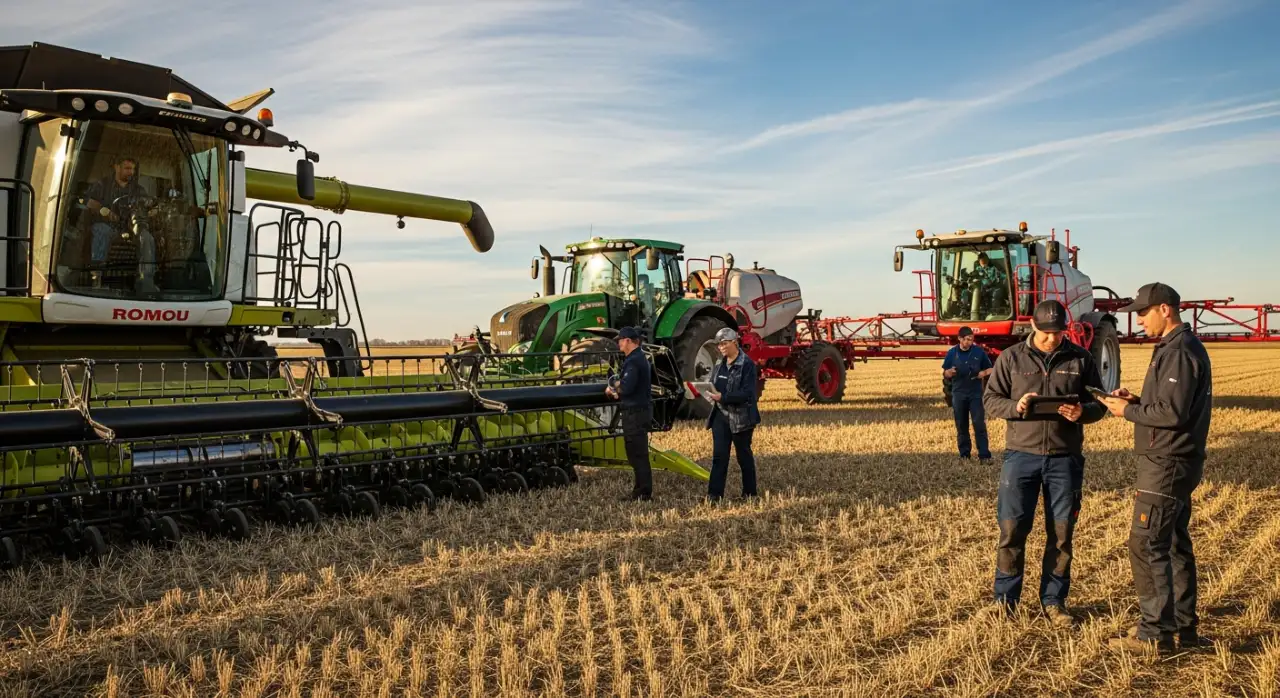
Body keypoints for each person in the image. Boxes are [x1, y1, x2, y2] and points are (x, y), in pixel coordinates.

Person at [1098, 283, 1212, 653]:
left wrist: (1125, 411)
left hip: (1166, 462)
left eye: (1143, 313)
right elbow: (1169, 403)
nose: (1139, 320)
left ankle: (1154, 634)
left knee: (1147, 544)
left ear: (1165, 310)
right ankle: (1184, 629)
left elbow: (1173, 414)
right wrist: (1139, 399)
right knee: (1174, 543)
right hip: (1177, 461)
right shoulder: (1177, 347)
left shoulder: (1178, 351)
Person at [982, 299, 1108, 626]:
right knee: (1012, 529)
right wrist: (1016, 406)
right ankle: (1005, 601)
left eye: (1058, 332)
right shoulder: (1011, 358)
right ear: (1033, 327)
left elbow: (1100, 403)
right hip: (1020, 457)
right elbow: (991, 400)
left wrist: (1084, 412)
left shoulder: (1080, 359)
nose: (1052, 338)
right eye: (1046, 332)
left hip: (1065, 459)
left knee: (1062, 533)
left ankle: (1054, 602)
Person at [81, 156, 159, 291]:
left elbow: (150, 204)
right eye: (127, 168)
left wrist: (153, 210)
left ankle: (146, 281)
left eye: (133, 169)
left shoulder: (138, 190)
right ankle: (97, 278)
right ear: (116, 167)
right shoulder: (102, 185)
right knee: (101, 230)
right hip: (109, 226)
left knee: (147, 238)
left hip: (131, 227)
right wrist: (103, 210)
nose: (131, 172)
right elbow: (85, 200)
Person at [703, 327, 760, 502]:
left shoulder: (747, 365)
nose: (721, 347)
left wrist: (724, 397)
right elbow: (713, 384)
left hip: (741, 417)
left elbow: (748, 394)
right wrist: (709, 392)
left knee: (743, 456)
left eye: (724, 343)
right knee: (719, 457)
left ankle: (750, 493)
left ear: (735, 342)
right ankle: (714, 495)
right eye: (719, 345)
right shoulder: (720, 365)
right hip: (720, 416)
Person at [605, 326, 653, 501]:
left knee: (637, 454)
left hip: (635, 413)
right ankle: (640, 491)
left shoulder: (633, 361)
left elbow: (627, 386)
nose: (618, 343)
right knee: (637, 453)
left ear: (628, 341)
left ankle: (643, 493)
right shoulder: (640, 358)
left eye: (620, 340)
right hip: (639, 411)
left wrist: (614, 387)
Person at [942, 326, 994, 462]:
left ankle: (984, 455)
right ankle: (965, 454)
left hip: (975, 394)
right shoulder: (952, 353)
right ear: (959, 339)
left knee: (979, 424)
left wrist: (983, 373)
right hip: (958, 393)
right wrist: (949, 372)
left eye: (971, 339)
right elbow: (945, 373)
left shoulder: (979, 352)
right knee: (961, 425)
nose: (969, 342)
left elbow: (990, 368)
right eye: (966, 339)